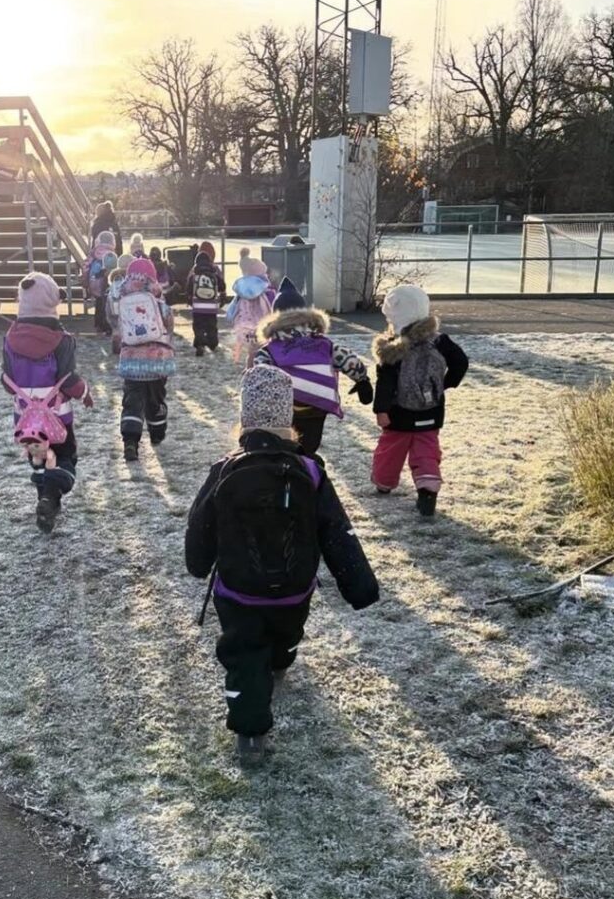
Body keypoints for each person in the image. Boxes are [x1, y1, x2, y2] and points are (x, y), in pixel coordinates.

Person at [184, 365, 379, 765]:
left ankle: (250, 734)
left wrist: (198, 563)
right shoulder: (310, 470)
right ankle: (282, 659)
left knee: (243, 653)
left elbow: (200, 523)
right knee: (287, 631)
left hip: (237, 591)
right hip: (294, 588)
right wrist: (359, 585)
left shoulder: (225, 469)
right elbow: (336, 530)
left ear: (245, 418)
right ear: (287, 419)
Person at [1, 272, 93, 533]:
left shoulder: (10, 339)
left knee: (39, 457)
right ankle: (51, 497)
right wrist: (85, 392)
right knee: (65, 456)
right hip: (58, 418)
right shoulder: (62, 341)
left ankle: (45, 497)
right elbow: (68, 380)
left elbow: (7, 383)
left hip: (26, 420)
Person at [371, 283, 469, 518]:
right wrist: (444, 385)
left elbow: (385, 383)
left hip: (398, 414)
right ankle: (428, 489)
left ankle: (383, 482)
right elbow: (461, 362)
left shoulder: (392, 348)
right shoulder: (439, 341)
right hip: (431, 410)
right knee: (427, 450)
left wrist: (381, 410)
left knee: (390, 450)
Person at [254, 277, 372, 456]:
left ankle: (291, 462)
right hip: (318, 402)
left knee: (287, 441)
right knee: (310, 442)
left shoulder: (270, 350)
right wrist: (362, 380)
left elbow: (259, 375)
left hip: (286, 405)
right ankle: (308, 458)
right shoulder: (323, 344)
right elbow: (347, 359)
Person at [117, 255, 176, 461]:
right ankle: (157, 433)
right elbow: (168, 323)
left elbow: (115, 322)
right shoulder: (158, 298)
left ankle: (130, 441)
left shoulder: (121, 297)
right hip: (157, 359)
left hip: (131, 358)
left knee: (132, 401)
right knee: (156, 398)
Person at [226, 248, 275, 364]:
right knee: (263, 349)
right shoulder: (267, 290)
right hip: (262, 325)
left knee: (251, 351)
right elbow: (272, 307)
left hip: (246, 325)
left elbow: (236, 307)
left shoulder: (243, 289)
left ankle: (249, 368)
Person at [186, 250, 226, 356]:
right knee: (211, 326)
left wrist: (190, 302)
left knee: (198, 326)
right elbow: (223, 287)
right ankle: (212, 343)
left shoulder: (194, 276)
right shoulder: (214, 275)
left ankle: (200, 344)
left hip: (198, 306)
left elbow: (189, 290)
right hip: (211, 307)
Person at [84, 229, 117, 334]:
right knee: (105, 303)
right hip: (104, 282)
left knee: (98, 302)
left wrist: (86, 282)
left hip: (93, 281)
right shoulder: (110, 254)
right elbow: (112, 269)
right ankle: (106, 325)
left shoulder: (94, 252)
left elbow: (86, 267)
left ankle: (97, 323)